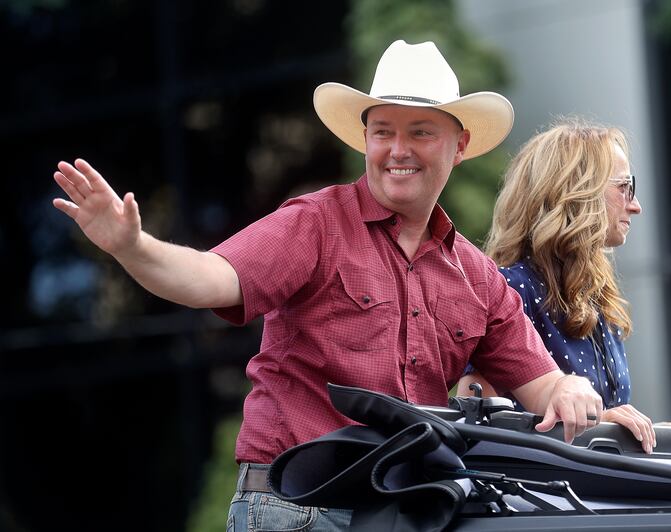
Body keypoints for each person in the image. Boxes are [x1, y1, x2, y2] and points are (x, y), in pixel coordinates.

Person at [52, 41, 609, 531]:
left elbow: (545, 389)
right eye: (382, 131)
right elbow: (207, 279)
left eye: (420, 132)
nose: (398, 149)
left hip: (400, 510)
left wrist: (575, 394)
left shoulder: (476, 275)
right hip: (294, 509)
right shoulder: (313, 223)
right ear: (364, 139)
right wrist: (133, 246)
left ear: (458, 145)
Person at [458, 119, 671, 453]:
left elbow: (606, 429)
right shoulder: (509, 289)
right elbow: (478, 424)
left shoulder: (594, 294)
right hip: (544, 498)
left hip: (592, 497)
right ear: (577, 191)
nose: (636, 205)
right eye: (625, 186)